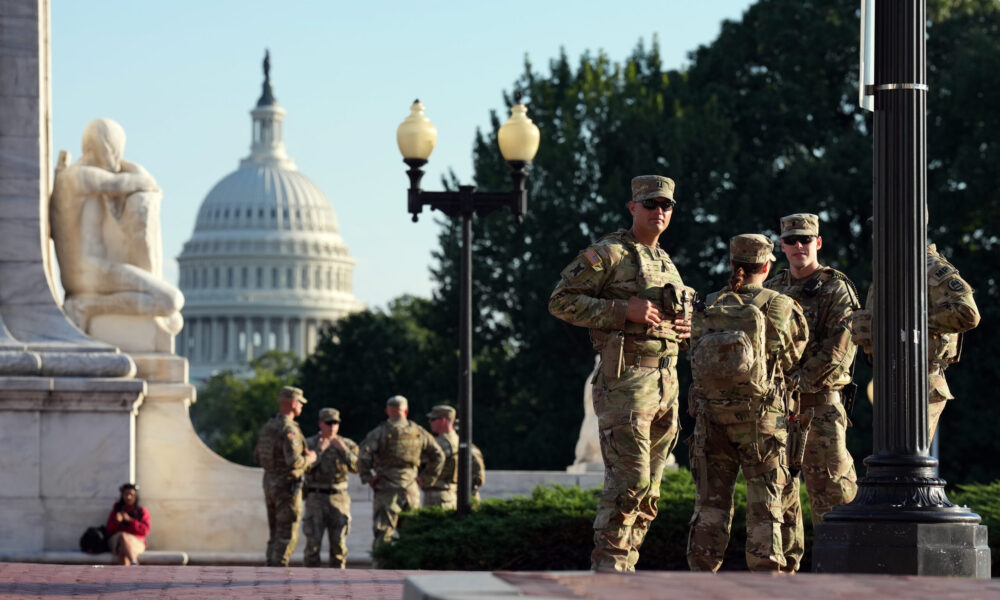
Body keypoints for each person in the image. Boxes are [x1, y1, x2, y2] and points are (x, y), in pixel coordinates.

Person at [549, 175, 693, 572]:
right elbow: (560, 301)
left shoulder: (666, 261)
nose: (659, 212)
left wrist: (684, 329)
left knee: (650, 492)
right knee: (628, 485)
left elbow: (668, 318)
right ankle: (608, 573)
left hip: (666, 385)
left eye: (666, 205)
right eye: (650, 204)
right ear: (633, 207)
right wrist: (619, 311)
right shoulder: (609, 253)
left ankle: (625, 570)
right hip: (626, 383)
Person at [686, 234, 808, 572]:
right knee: (765, 502)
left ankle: (701, 575)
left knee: (711, 503)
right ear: (767, 266)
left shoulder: (708, 303)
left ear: (732, 264)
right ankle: (766, 579)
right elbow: (793, 356)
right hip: (761, 420)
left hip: (711, 418)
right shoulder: (780, 305)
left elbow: (692, 353)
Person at [763, 213, 860, 571]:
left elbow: (839, 350)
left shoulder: (836, 288)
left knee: (833, 497)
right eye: (791, 240)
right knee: (779, 498)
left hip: (819, 408)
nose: (799, 246)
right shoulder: (772, 288)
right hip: (777, 411)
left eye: (806, 239)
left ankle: (845, 577)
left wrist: (793, 383)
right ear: (782, 245)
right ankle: (788, 581)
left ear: (818, 243)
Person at [50, 118, 183, 335]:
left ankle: (91, 305)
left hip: (93, 270)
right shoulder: (76, 176)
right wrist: (132, 168)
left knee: (172, 315)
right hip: (89, 272)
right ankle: (87, 306)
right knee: (170, 300)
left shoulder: (79, 179)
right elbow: (133, 184)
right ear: (109, 147)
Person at [850, 235, 980, 441]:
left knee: (905, 459)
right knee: (886, 460)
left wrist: (908, 322)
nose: (878, 234)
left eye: (883, 227)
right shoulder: (888, 270)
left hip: (922, 383)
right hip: (889, 380)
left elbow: (968, 313)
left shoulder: (930, 267)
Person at [358, 395, 444, 557]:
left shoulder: (380, 432)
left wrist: (368, 477)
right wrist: (425, 479)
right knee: (411, 534)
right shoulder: (418, 431)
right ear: (406, 410)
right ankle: (409, 568)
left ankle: (381, 569)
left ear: (387, 411)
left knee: (384, 533)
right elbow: (438, 455)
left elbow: (363, 455)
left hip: (386, 488)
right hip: (411, 487)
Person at [253, 386, 316, 566]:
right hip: (286, 488)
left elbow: (257, 456)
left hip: (270, 484)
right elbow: (294, 462)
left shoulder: (269, 427)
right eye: (300, 403)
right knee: (286, 535)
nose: (302, 407)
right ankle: (277, 575)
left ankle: (270, 569)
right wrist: (309, 459)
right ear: (293, 403)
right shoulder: (289, 430)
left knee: (275, 534)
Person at [303, 407, 358, 568]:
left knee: (339, 548)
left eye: (336, 423)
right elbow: (304, 467)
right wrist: (319, 451)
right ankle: (310, 584)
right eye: (329, 423)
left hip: (339, 498)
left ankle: (337, 586)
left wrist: (344, 451)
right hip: (316, 498)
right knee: (312, 547)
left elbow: (358, 467)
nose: (332, 427)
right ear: (320, 424)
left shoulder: (346, 444)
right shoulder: (310, 443)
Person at [423, 405, 485, 509]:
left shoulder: (438, 444)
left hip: (439, 495)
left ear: (443, 420)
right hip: (455, 496)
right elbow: (478, 476)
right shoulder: (466, 445)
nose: (430, 422)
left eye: (433, 419)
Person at [105, 482, 150, 566]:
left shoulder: (142, 511)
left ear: (135, 496)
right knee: (122, 537)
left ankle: (126, 574)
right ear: (122, 495)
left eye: (131, 495)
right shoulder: (116, 510)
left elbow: (145, 530)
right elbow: (109, 531)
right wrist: (117, 522)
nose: (129, 497)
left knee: (123, 550)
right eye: (126, 494)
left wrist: (130, 520)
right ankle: (134, 562)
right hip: (117, 540)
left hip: (136, 541)